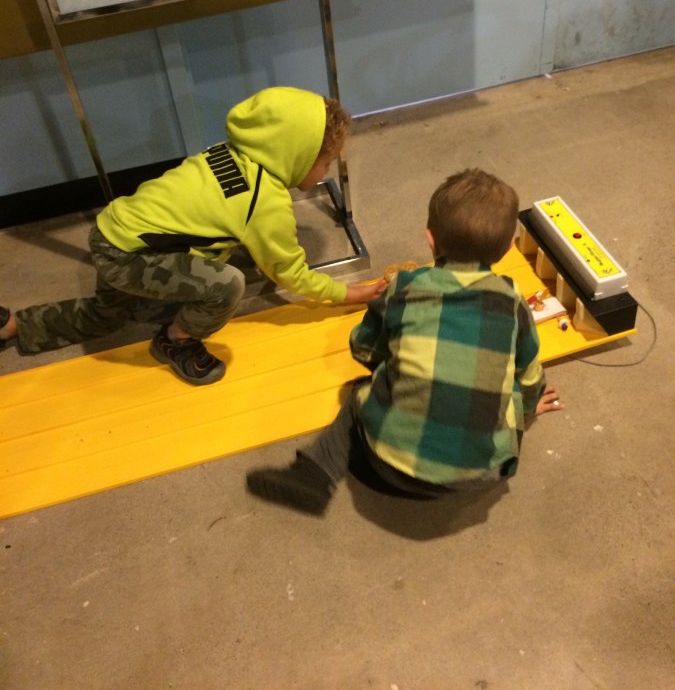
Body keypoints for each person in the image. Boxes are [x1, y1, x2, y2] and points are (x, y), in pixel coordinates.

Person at [0, 87, 386, 385]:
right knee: (227, 285)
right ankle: (176, 340)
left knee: (104, 316)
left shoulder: (226, 152)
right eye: (324, 162)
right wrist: (348, 293)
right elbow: (290, 273)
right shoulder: (265, 203)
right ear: (295, 154)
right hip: (129, 256)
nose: (324, 172)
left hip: (112, 231)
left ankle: (11, 325)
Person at [246, 168, 563, 515]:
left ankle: (315, 472)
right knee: (505, 383)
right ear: (508, 249)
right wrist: (527, 408)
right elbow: (530, 376)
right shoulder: (513, 304)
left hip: (385, 463)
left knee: (361, 390)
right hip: (481, 474)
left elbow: (363, 347)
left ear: (430, 238)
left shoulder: (405, 287)